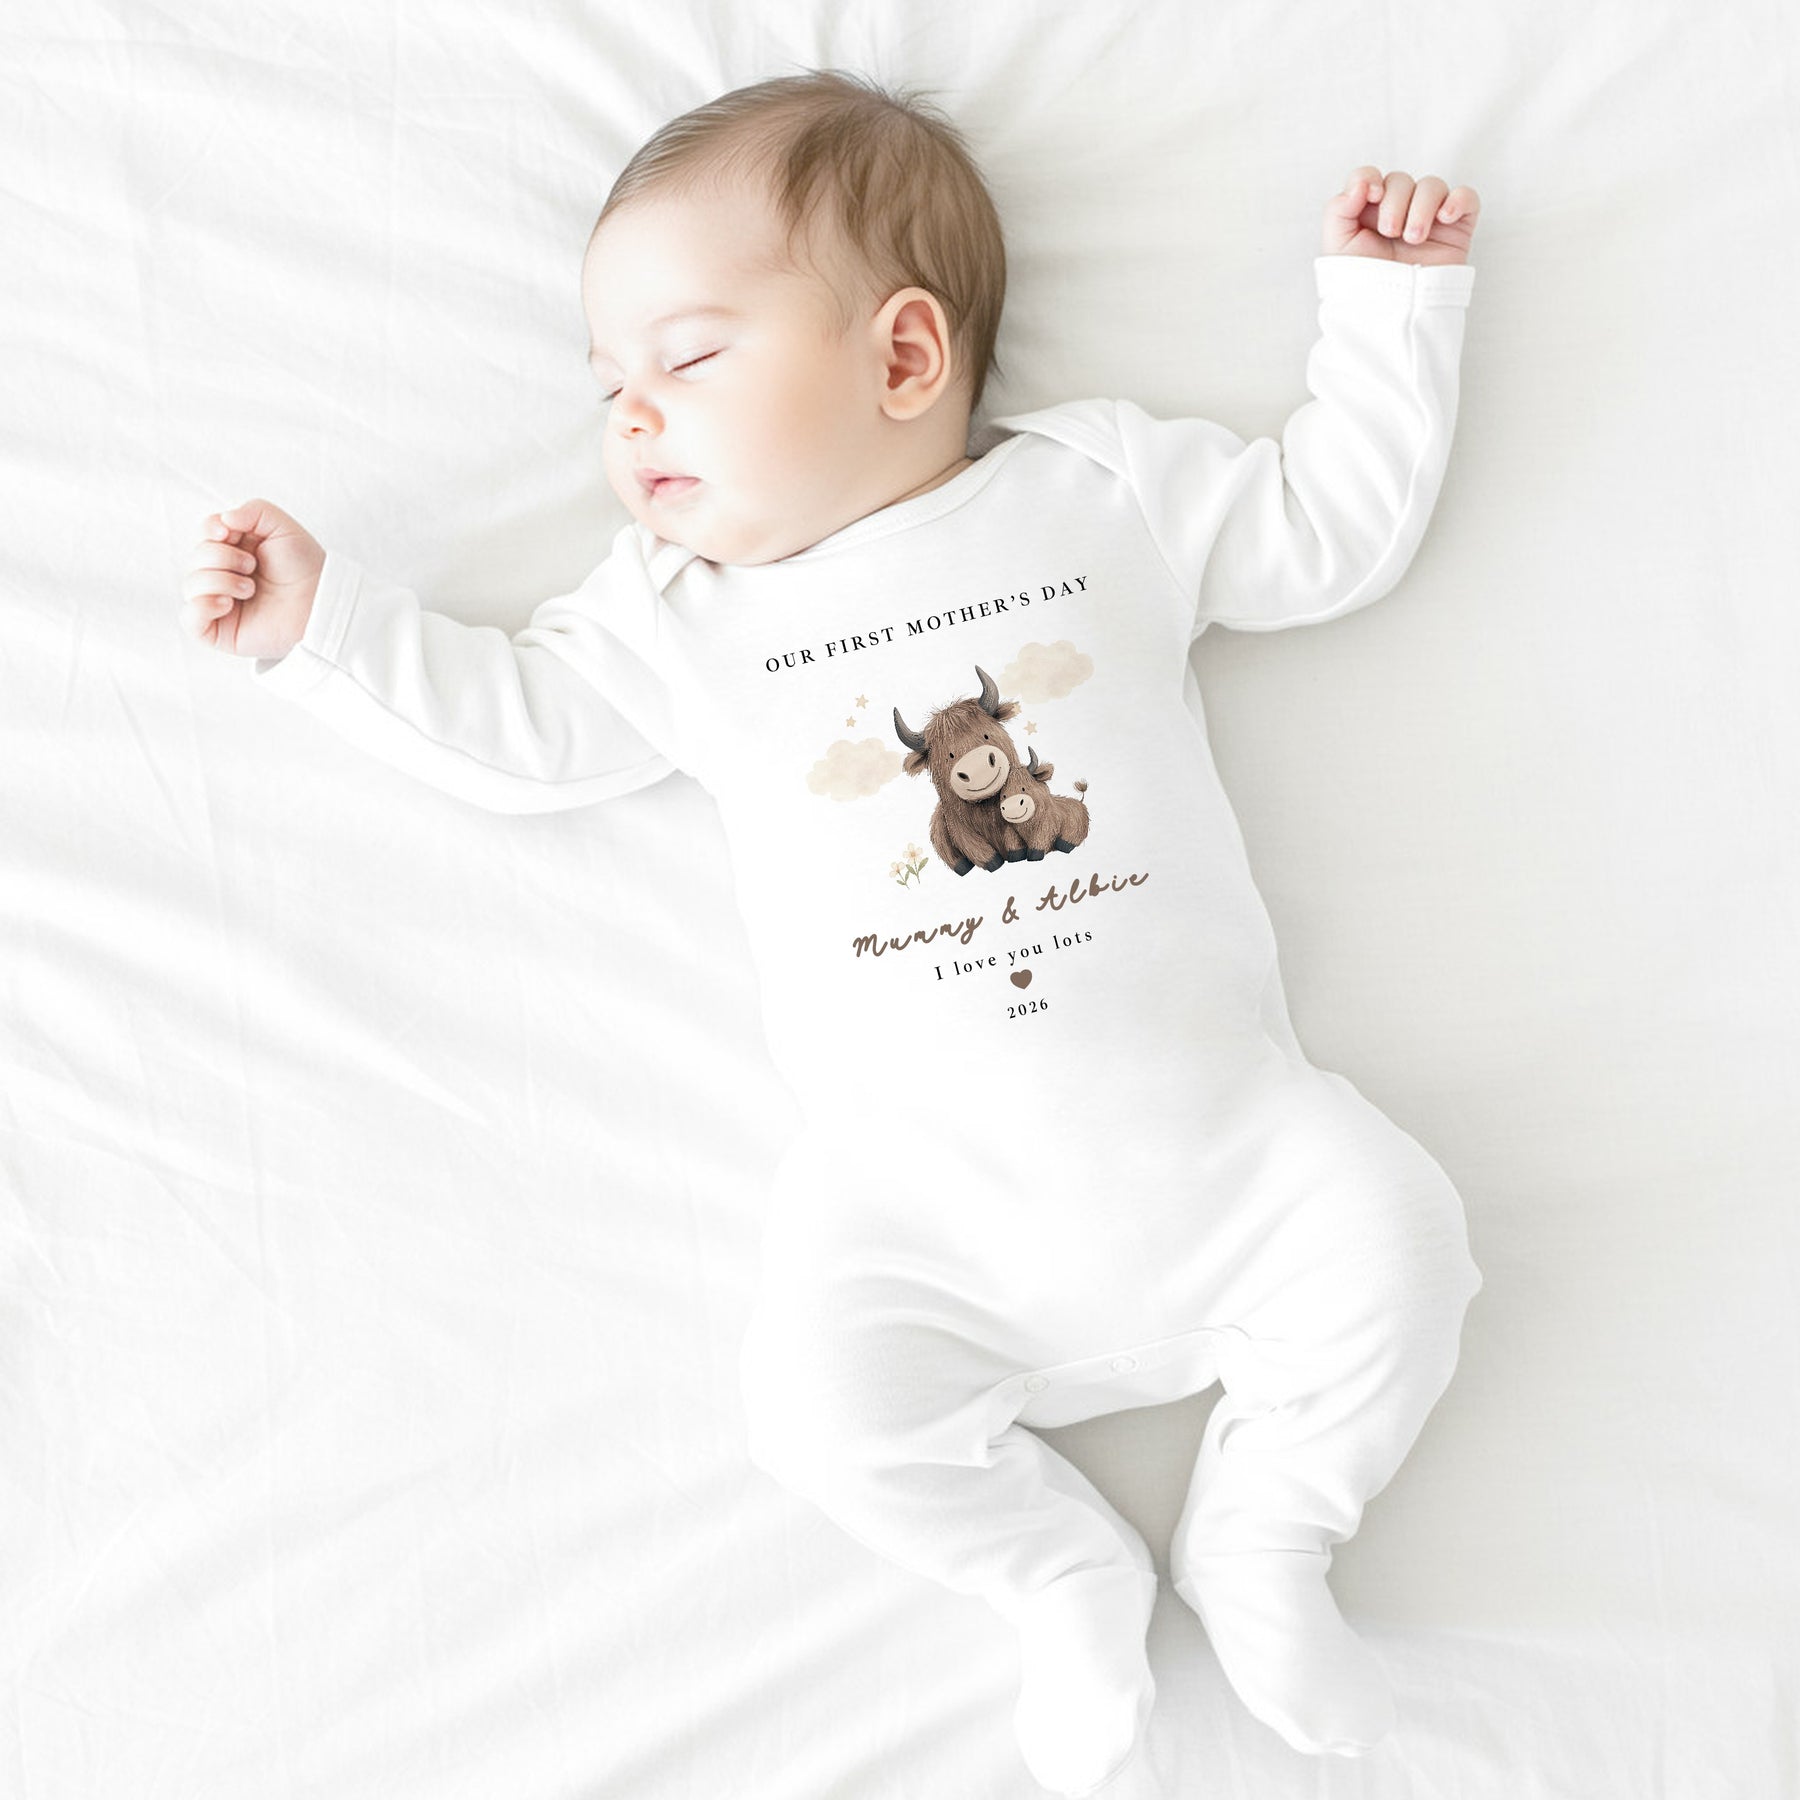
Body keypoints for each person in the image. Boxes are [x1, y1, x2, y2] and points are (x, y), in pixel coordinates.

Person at [178, 68, 1484, 1799]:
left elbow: (1327, 530)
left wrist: (1391, 312)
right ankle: (1057, 1576)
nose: (633, 418)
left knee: (1402, 1243)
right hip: (917, 1213)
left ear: (904, 354)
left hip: (1236, 1147)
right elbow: (524, 733)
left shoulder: (1099, 491)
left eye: (688, 358)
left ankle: (1271, 1532)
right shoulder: (677, 618)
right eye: (610, 388)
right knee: (819, 1412)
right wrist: (326, 629)